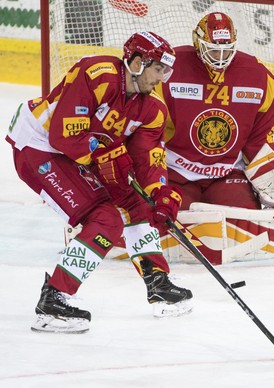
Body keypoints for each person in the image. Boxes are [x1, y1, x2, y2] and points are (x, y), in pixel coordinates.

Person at [6, 31, 193, 334]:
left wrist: (159, 193)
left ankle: (157, 280)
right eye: (159, 69)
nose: (163, 78)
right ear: (136, 62)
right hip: (38, 145)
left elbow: (148, 158)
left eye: (166, 71)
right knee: (106, 219)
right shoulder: (97, 75)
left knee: (138, 202)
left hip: (80, 153)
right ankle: (54, 297)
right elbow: (63, 136)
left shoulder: (153, 109)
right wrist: (105, 152)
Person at [155, 12, 274, 264]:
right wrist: (148, 174)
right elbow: (148, 130)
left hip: (227, 173)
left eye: (225, 51)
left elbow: (258, 141)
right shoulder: (168, 70)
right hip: (175, 173)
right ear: (198, 44)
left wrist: (271, 174)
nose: (220, 58)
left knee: (246, 220)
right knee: (171, 218)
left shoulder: (258, 77)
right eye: (213, 50)